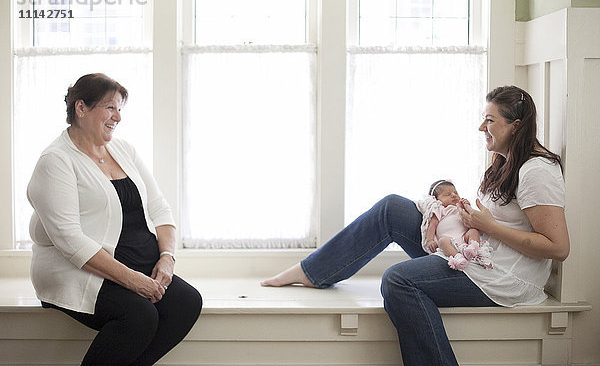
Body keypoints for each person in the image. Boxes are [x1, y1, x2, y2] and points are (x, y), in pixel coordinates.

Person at [261, 85, 570, 366]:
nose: (481, 127)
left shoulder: (537, 171)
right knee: (392, 207)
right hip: (474, 251)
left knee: (398, 280)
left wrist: (489, 226)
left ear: (516, 126)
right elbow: (492, 219)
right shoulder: (503, 160)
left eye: (490, 121)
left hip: (503, 278)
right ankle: (314, 272)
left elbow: (558, 247)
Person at [27, 73, 202, 365]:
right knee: (140, 315)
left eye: (120, 108)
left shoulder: (124, 150)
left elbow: (159, 208)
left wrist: (167, 256)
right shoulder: (56, 161)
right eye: (110, 107)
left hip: (136, 262)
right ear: (81, 108)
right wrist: (134, 281)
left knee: (186, 302)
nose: (118, 116)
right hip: (78, 271)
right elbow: (70, 241)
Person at [419, 180, 492, 271]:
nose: (453, 195)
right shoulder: (440, 209)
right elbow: (432, 225)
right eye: (447, 194)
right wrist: (430, 240)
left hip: (464, 238)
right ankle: (457, 257)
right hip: (449, 241)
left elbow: (472, 221)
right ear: (437, 199)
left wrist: (467, 207)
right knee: (442, 241)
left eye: (455, 193)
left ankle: (473, 248)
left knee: (473, 231)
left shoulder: (460, 209)